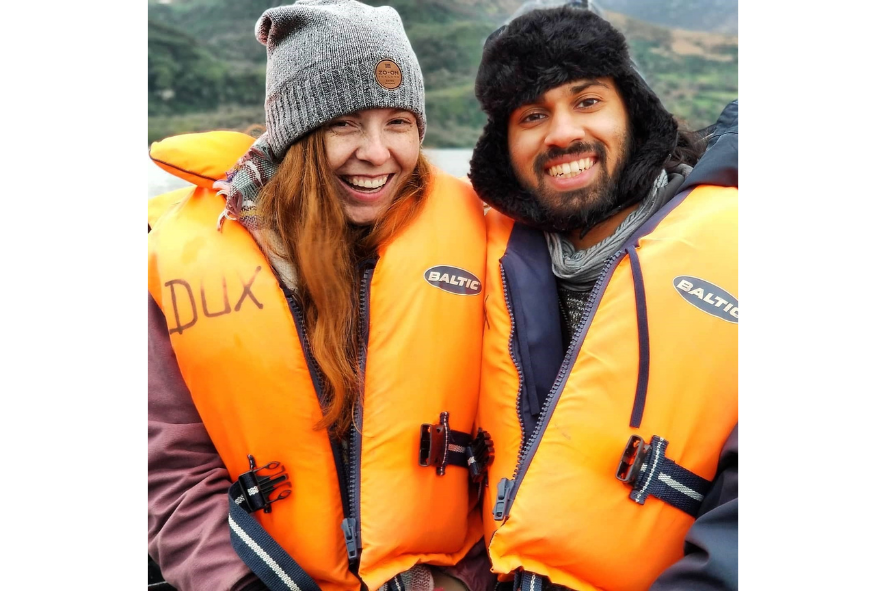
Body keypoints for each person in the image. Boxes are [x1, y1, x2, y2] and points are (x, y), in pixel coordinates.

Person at [147, 2, 497, 591]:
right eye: (345, 123)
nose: (377, 152)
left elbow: (515, 436)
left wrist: (464, 580)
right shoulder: (179, 260)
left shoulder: (481, 240)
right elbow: (172, 471)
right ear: (295, 138)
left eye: (399, 122)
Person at [467, 4, 737, 591]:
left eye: (587, 102)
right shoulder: (476, 263)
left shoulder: (748, 248)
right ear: (504, 148)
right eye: (532, 115)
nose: (563, 133)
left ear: (633, 114)